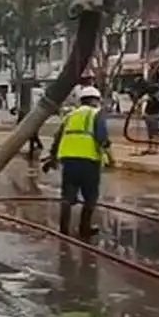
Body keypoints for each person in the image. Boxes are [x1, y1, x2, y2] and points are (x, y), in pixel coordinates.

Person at [42, 85, 114, 239]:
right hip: (89, 161)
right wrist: (111, 158)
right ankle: (84, 228)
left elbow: (57, 137)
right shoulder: (96, 113)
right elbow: (102, 138)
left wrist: (52, 158)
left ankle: (64, 230)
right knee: (90, 197)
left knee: (67, 196)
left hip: (69, 160)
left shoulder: (70, 115)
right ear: (95, 100)